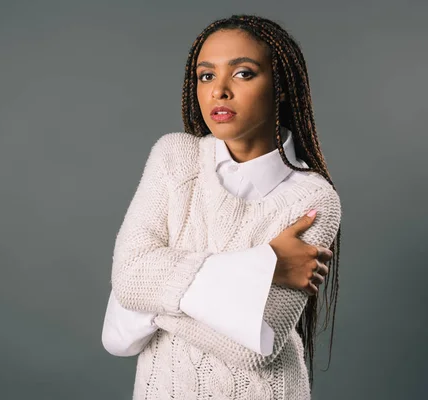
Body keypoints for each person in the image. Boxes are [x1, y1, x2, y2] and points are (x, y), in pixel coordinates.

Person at [102, 14, 342, 400]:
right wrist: (263, 265)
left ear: (280, 86)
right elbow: (118, 324)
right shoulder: (173, 159)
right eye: (206, 76)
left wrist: (154, 297)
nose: (219, 91)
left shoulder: (312, 200)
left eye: (243, 73)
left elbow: (256, 347)